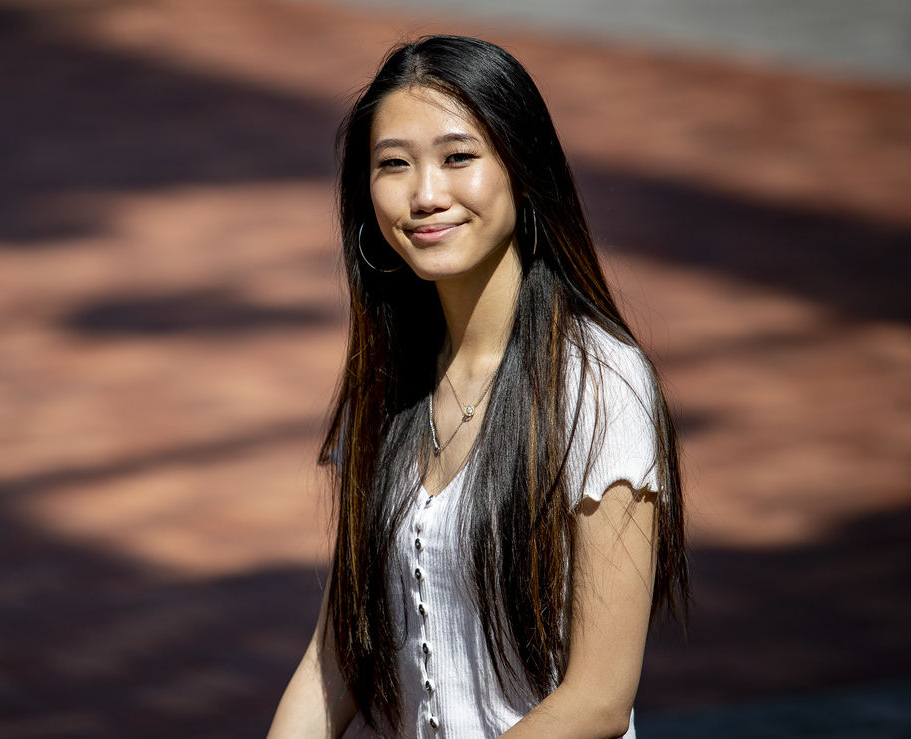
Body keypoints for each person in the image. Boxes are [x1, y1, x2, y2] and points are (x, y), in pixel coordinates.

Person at [267, 36, 689, 738]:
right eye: (393, 165)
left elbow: (598, 697)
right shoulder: (388, 380)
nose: (426, 193)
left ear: (521, 170)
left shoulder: (598, 380)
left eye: (458, 157)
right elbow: (337, 651)